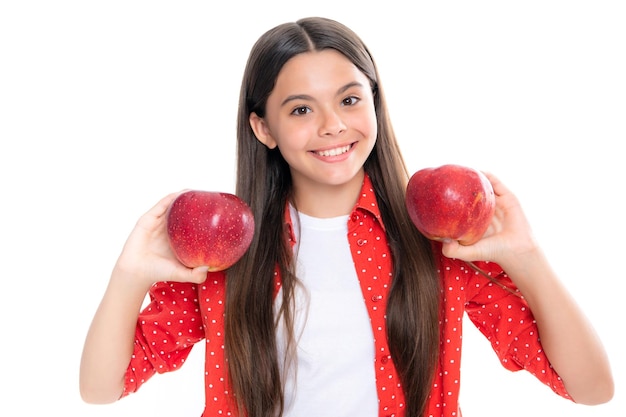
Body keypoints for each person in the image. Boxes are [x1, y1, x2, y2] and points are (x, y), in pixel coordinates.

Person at [79, 16, 614, 417]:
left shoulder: (440, 242)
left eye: (350, 99)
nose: (333, 125)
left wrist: (527, 258)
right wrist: (130, 275)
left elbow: (591, 389)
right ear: (263, 128)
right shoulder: (223, 250)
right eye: (302, 109)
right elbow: (102, 388)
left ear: (374, 106)